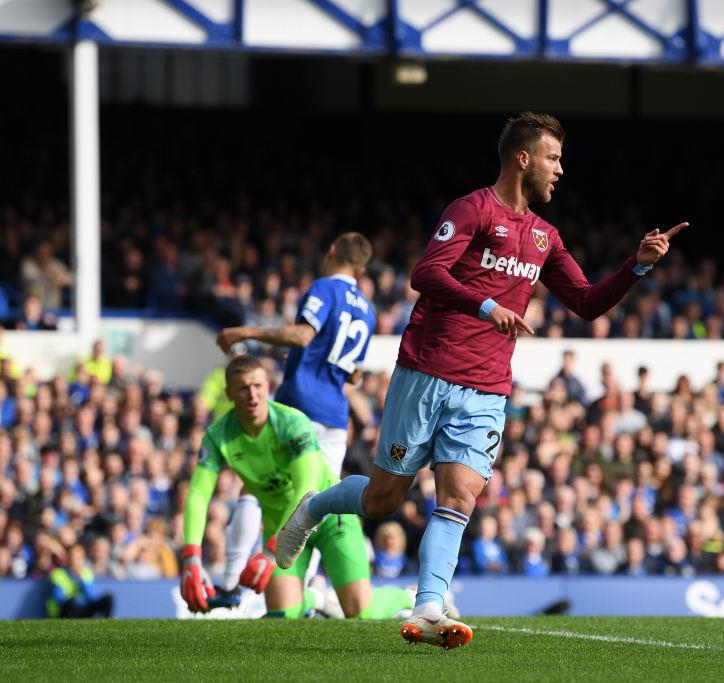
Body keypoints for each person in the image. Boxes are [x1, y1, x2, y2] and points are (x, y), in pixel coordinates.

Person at [276, 111, 688, 648]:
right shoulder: (472, 209)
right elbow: (424, 274)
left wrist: (637, 266)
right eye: (553, 158)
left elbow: (586, 304)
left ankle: (427, 607)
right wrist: (486, 304)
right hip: (426, 370)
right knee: (382, 500)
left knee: (460, 494)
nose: (561, 170)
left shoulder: (545, 237)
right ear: (523, 158)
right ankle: (313, 507)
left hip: (488, 386)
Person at [180, 355, 410, 619]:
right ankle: (318, 597)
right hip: (281, 526)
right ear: (229, 393)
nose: (253, 395)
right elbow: (198, 495)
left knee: (360, 611)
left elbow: (306, 488)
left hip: (328, 517)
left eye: (258, 386)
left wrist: (268, 551)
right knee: (282, 618)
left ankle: (406, 596)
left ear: (268, 387)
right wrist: (191, 559)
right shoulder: (218, 436)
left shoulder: (292, 422)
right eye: (243, 388)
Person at [213, 233, 375, 601]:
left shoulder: (324, 289)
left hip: (301, 402)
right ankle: (303, 592)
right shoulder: (367, 308)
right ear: (362, 268)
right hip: (335, 416)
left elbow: (303, 336)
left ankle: (229, 584)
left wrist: (247, 331)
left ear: (331, 251)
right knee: (314, 504)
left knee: (255, 487)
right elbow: (354, 374)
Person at [47, 543, 114, 618]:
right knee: (72, 603)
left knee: (108, 599)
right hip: (64, 611)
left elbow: (91, 597)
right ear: (68, 558)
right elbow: (59, 598)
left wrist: (81, 579)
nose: (77, 561)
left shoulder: (86, 573)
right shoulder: (57, 574)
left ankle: (104, 623)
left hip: (82, 609)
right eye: (74, 557)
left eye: (80, 558)